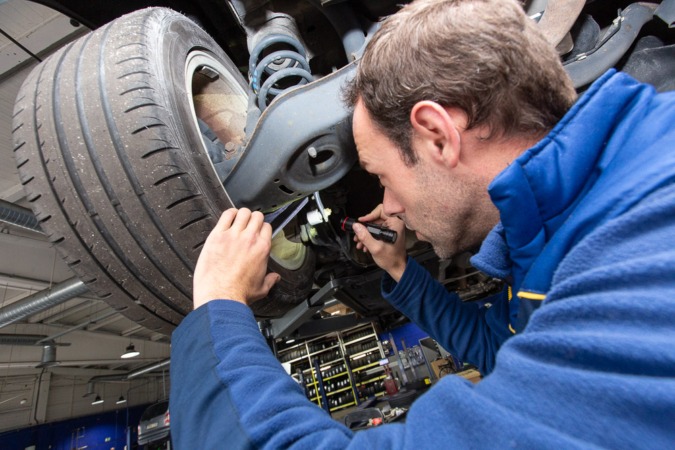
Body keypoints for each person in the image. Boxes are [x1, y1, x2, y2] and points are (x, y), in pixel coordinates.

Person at [170, 0, 675, 447]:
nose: (388, 206)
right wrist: (400, 272)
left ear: (437, 135)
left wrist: (218, 307)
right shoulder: (568, 232)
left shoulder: (649, 240)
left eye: (381, 176)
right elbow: (497, 346)